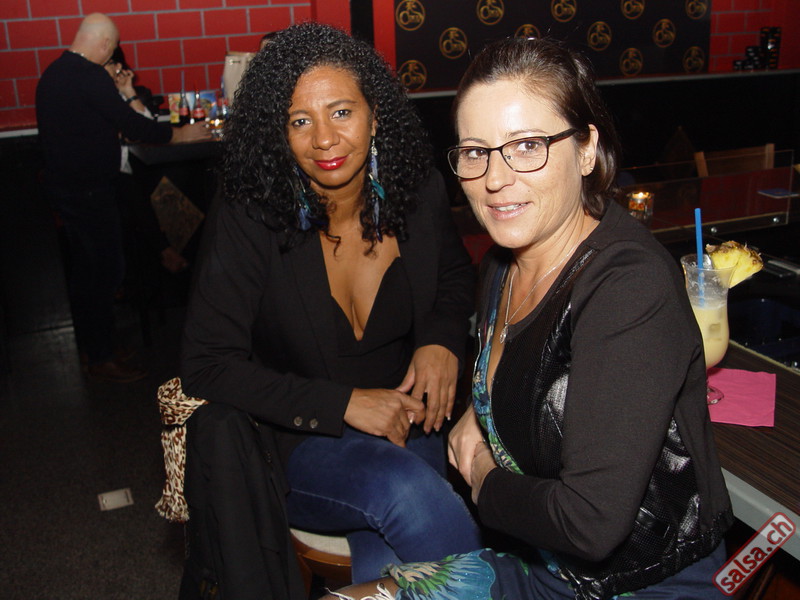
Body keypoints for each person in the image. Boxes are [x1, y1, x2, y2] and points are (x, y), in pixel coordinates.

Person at [326, 36, 733, 600]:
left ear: (586, 150)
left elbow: (589, 523)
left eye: (526, 145)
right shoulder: (503, 262)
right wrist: (478, 414)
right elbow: (528, 385)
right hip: (538, 564)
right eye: (476, 152)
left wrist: (482, 474)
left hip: (639, 586)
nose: (495, 179)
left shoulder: (628, 287)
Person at [180, 22, 481, 585]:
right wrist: (343, 403)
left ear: (375, 114)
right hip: (298, 438)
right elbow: (206, 363)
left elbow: (454, 275)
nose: (324, 139)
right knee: (409, 493)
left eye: (341, 112)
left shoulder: (417, 191)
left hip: (405, 418)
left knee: (400, 539)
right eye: (300, 121)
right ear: (279, 131)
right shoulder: (252, 214)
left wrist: (441, 340)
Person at [36, 13, 210, 382]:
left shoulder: (53, 73)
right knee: (105, 272)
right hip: (89, 192)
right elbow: (131, 125)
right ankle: (101, 357)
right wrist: (179, 136)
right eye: (112, 47)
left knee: (88, 273)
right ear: (105, 44)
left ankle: (95, 346)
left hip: (68, 190)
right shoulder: (89, 76)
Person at [104, 48, 189, 275]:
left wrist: (129, 92)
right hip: (111, 172)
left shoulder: (132, 94)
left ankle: (184, 249)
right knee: (129, 190)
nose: (114, 70)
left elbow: (147, 131)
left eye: (113, 64)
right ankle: (165, 250)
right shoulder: (99, 98)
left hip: (139, 166)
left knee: (177, 178)